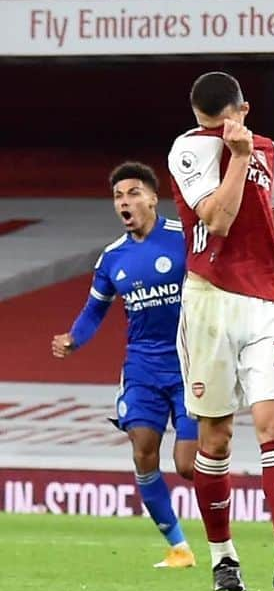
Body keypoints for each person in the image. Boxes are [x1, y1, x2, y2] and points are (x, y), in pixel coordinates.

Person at [167, 71, 274, 591]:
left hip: (267, 303)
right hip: (209, 301)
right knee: (215, 436)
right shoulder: (189, 150)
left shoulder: (269, 150)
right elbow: (218, 220)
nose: (222, 129)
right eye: (214, 123)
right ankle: (222, 556)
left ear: (245, 110)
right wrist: (236, 156)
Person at [51, 162, 197, 569]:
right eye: (118, 196)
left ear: (153, 197)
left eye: (133, 193)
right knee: (143, 453)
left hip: (190, 363)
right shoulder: (113, 258)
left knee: (188, 465)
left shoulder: (183, 238)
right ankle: (179, 548)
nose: (124, 202)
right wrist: (74, 339)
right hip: (142, 368)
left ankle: (222, 532)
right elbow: (94, 311)